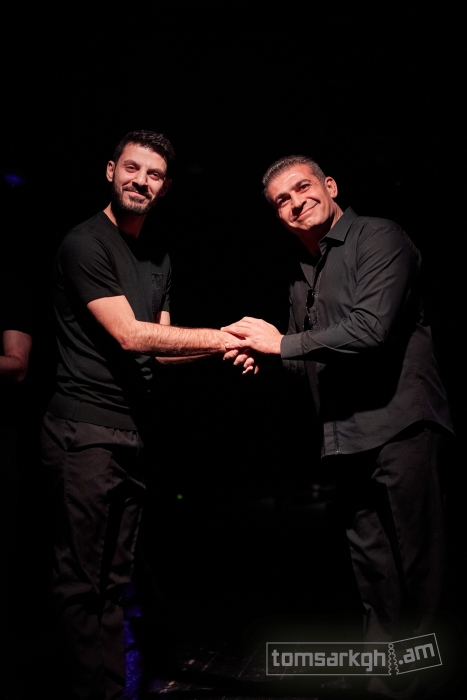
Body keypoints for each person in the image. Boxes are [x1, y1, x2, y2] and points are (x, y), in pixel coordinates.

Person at [222, 155, 453, 697]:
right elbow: (306, 360)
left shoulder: (379, 237)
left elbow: (371, 329)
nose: (295, 202)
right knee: (374, 572)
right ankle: (387, 684)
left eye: (302, 187)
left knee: (422, 568)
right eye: (281, 200)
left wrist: (281, 344)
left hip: (400, 426)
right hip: (345, 440)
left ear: (329, 186)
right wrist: (263, 356)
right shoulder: (301, 275)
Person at [41, 130, 240, 700]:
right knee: (81, 584)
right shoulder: (85, 243)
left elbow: (163, 348)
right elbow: (131, 335)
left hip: (132, 432)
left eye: (154, 175)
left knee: (113, 582)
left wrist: (228, 347)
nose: (141, 181)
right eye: (132, 168)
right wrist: (223, 335)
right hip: (84, 431)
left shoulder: (158, 256)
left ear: (166, 187)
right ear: (111, 171)